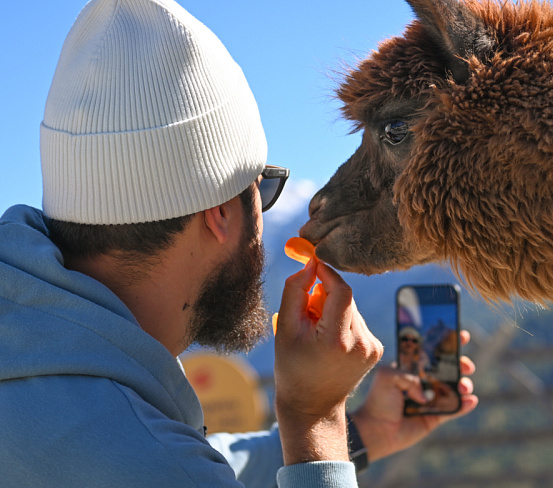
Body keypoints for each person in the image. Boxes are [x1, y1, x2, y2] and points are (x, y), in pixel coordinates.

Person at [0, 0, 478, 487]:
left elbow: (183, 455)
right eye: (263, 189)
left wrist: (364, 432)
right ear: (221, 212)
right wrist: (315, 418)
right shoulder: (151, 465)